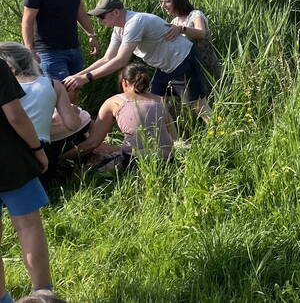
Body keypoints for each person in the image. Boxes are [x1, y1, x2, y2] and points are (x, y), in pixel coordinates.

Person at [65, 0, 210, 119]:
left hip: (182, 60)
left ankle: (221, 134)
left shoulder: (135, 22)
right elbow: (107, 58)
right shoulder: (119, 29)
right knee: (155, 104)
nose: (99, 20)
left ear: (116, 12)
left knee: (198, 106)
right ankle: (172, 141)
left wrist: (86, 78)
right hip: (165, 67)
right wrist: (78, 76)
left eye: (101, 16)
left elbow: (121, 60)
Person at [0, 58, 59, 303]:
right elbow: (16, 116)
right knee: (28, 225)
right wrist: (37, 148)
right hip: (8, 158)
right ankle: (42, 294)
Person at [21, 0, 100, 90]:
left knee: (75, 89)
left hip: (73, 48)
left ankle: (75, 113)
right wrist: (29, 50)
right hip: (49, 51)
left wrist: (91, 34)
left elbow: (79, 10)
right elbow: (27, 21)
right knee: (62, 91)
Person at [0, 44, 81, 179]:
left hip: (10, 148)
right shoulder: (54, 84)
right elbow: (72, 124)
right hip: (42, 149)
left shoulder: (5, 86)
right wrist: (75, 113)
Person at [77, 65, 176, 170]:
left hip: (133, 160)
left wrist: (62, 156)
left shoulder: (113, 101)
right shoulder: (159, 99)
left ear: (124, 82)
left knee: (92, 168)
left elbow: (93, 143)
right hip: (168, 159)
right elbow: (174, 136)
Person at [159, 0, 221, 83]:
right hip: (189, 71)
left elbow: (201, 33)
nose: (163, 6)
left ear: (178, 1)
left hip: (206, 67)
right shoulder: (174, 22)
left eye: (167, 1)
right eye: (162, 2)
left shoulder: (195, 14)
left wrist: (181, 29)